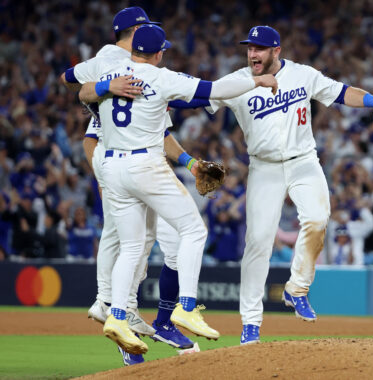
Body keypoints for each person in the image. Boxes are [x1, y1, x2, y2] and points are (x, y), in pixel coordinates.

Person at [170, 25, 373, 344]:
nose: (253, 54)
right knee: (258, 242)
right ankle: (250, 324)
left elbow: (341, 92)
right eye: (250, 48)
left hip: (303, 160)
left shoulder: (302, 75)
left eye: (260, 48)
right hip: (264, 168)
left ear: (277, 51)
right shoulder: (239, 81)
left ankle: (296, 288)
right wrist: (163, 97)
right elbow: (200, 96)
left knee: (318, 219)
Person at [76, 24, 277, 354]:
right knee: (194, 230)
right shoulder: (161, 77)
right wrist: (258, 79)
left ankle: (116, 317)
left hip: (111, 166)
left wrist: (101, 85)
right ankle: (185, 306)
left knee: (130, 246)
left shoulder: (110, 72)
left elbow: (79, 88)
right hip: (145, 164)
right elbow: (215, 89)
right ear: (157, 53)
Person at [61, 6, 195, 364]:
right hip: (117, 158)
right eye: (146, 26)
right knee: (125, 240)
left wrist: (190, 163)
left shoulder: (145, 74)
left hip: (145, 161)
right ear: (135, 31)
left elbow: (69, 79)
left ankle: (158, 319)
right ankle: (110, 306)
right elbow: (78, 95)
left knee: (161, 241)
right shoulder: (111, 59)